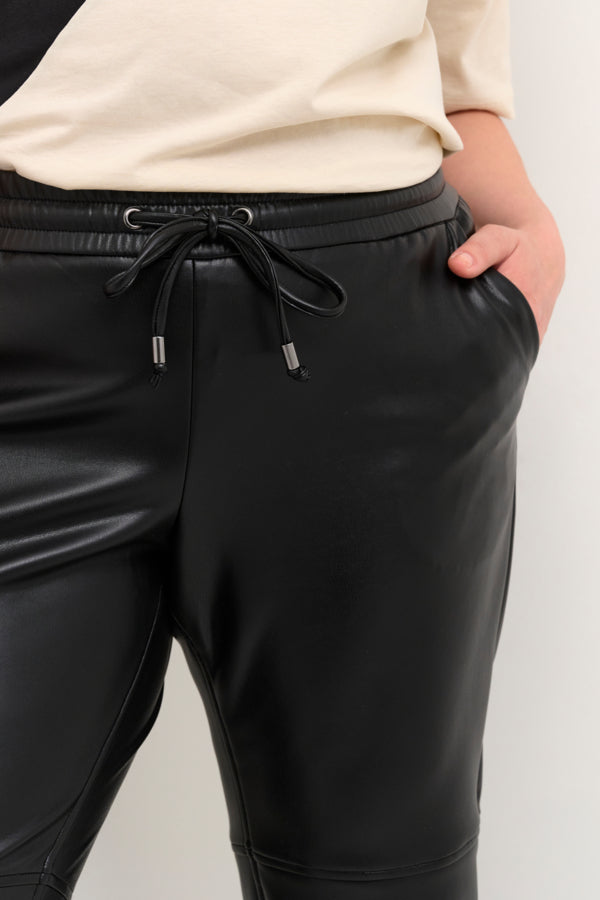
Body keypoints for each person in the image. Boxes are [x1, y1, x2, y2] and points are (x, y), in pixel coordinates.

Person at [0, 2, 565, 899]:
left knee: (377, 882)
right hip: (26, 318)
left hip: (375, 340)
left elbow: (460, 83)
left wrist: (528, 232)